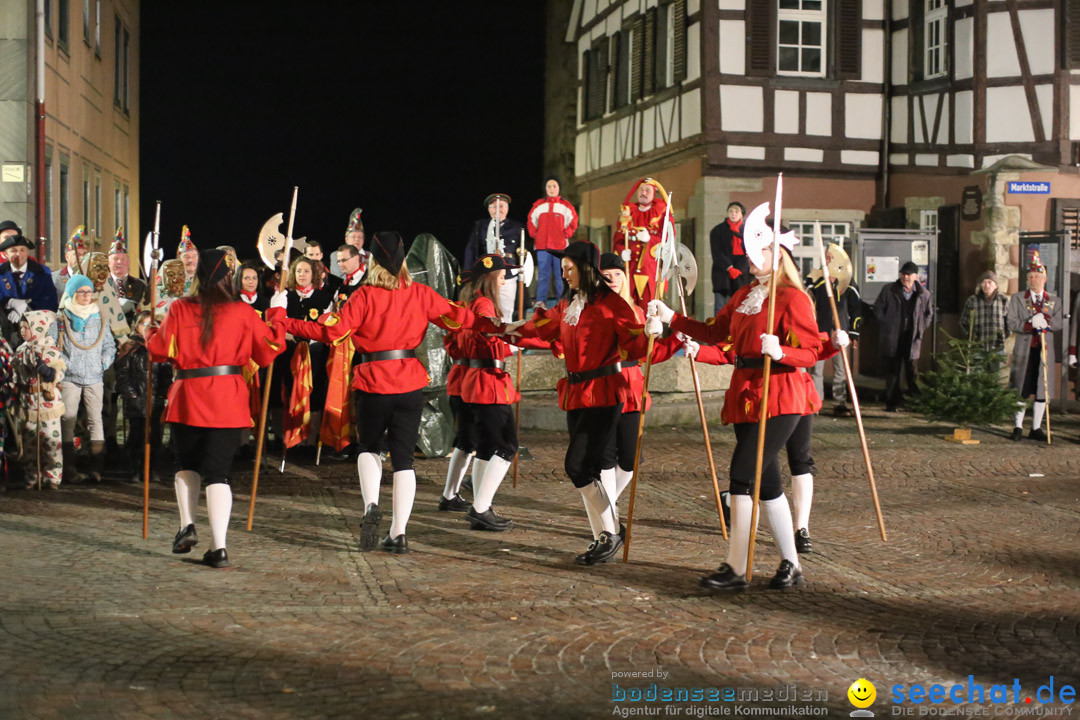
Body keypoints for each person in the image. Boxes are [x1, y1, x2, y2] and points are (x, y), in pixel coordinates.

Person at [267, 231, 505, 554]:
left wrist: (283, 318)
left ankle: (371, 505)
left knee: (369, 448)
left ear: (373, 262)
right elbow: (459, 318)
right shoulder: (420, 293)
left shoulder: (363, 296)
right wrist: (492, 322)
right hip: (409, 384)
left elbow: (330, 332)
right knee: (404, 459)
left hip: (373, 382)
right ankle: (398, 533)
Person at [650, 201, 821, 591]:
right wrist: (671, 318)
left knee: (742, 474)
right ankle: (791, 565)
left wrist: (782, 351)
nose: (746, 257)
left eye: (754, 251)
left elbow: (810, 351)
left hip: (781, 393)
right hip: (746, 391)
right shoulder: (745, 294)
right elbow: (713, 333)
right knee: (767, 483)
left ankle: (736, 567)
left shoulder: (793, 298)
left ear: (775, 254)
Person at [504, 241, 658, 565]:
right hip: (576, 393)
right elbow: (541, 327)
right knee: (587, 467)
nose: (564, 274)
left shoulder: (612, 303)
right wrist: (504, 330)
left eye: (569, 268)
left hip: (604, 392)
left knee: (577, 465)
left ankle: (611, 531)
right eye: (562, 270)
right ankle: (607, 533)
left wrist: (652, 333)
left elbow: (635, 344)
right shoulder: (570, 303)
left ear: (586, 267)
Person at [146, 248, 286, 568]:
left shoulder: (180, 308)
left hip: (188, 396)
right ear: (229, 278)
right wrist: (277, 313)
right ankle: (219, 547)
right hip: (228, 399)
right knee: (218, 473)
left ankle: (186, 525)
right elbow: (269, 350)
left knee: (186, 463)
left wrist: (149, 327)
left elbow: (157, 350)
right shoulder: (242, 312)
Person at [451, 254, 551, 530]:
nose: (506, 279)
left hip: (477, 378)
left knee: (485, 446)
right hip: (487, 382)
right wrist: (513, 331)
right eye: (503, 274)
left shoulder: (472, 302)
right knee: (507, 445)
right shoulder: (483, 304)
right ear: (491, 277)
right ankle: (480, 508)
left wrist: (514, 335)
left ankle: (480, 505)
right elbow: (488, 330)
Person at [597, 252, 686, 531]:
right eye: (605, 276)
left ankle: (608, 502)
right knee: (606, 454)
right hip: (605, 383)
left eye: (617, 274)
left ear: (625, 278)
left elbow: (649, 354)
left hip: (632, 384)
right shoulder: (595, 309)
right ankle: (608, 514)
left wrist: (672, 340)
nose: (612, 280)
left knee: (631, 457)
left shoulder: (636, 310)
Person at [54, 274, 116, 483]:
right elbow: (55, 346)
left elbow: (109, 345)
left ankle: (96, 467)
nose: (85, 295)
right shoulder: (62, 317)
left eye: (88, 291)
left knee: (95, 419)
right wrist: (67, 364)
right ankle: (68, 467)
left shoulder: (99, 317)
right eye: (81, 291)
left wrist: (103, 362)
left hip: (94, 376)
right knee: (68, 418)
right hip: (71, 376)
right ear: (72, 293)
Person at [1006, 252, 1062, 442]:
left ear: (1044, 278)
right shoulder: (1018, 299)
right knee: (1022, 387)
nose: (1033, 279)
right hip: (1025, 350)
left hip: (1044, 350)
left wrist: (1046, 323)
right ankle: (1018, 426)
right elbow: (1011, 322)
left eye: (1037, 276)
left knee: (1042, 388)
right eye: (1030, 276)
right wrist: (1029, 324)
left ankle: (1036, 427)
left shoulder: (1054, 300)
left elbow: (1059, 322)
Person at [114, 310, 172, 483]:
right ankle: (135, 469)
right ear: (136, 326)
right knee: (137, 436)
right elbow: (123, 375)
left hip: (155, 400)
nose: (147, 328)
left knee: (155, 436)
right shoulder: (130, 348)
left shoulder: (160, 347)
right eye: (143, 324)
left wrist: (162, 394)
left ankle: (151, 468)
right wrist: (131, 396)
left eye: (151, 325)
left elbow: (166, 374)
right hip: (136, 400)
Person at [806, 243, 862, 417]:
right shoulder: (814, 281)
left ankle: (840, 403)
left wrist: (853, 332)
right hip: (819, 332)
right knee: (816, 369)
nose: (830, 260)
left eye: (832, 257)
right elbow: (806, 306)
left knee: (841, 369)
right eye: (827, 257)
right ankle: (816, 402)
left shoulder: (848, 283)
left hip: (841, 332)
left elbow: (856, 311)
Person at [14, 311, 66, 489]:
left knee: (50, 441)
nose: (23, 331)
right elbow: (15, 375)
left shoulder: (50, 348)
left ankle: (53, 476)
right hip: (28, 400)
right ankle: (32, 475)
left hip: (47, 401)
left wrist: (49, 372)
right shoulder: (20, 351)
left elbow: (60, 373)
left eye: (27, 327)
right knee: (29, 441)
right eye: (22, 327)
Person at [873, 261, 933, 412]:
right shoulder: (889, 290)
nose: (905, 277)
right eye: (903, 274)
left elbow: (928, 314)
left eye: (908, 274)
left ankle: (915, 404)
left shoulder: (923, 294)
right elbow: (878, 308)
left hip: (912, 338)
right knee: (893, 373)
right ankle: (892, 404)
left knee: (912, 372)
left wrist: (921, 327)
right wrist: (887, 321)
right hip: (893, 337)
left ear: (915, 276)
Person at [464, 193, 526, 322]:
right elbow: (471, 249)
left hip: (508, 274)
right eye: (494, 207)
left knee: (506, 311)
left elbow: (523, 251)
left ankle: (505, 338)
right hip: (487, 274)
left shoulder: (516, 227)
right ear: (489, 210)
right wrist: (468, 273)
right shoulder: (480, 226)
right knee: (485, 308)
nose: (498, 210)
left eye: (502, 206)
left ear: (507, 208)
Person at [612, 178, 668, 310]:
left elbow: (667, 237)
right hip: (629, 269)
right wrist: (621, 252)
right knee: (627, 307)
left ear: (654, 193)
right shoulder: (627, 212)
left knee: (649, 309)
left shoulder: (661, 212)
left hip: (649, 269)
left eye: (647, 190)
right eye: (641, 190)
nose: (644, 193)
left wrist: (650, 239)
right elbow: (618, 239)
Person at [527, 176, 578, 309]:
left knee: (561, 274)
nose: (551, 189)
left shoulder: (566, 206)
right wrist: (534, 234)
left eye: (554, 186)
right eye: (549, 186)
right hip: (542, 246)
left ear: (559, 188)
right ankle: (540, 300)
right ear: (545, 188)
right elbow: (531, 221)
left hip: (560, 247)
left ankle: (562, 300)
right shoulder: (538, 205)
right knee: (543, 274)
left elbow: (573, 222)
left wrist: (566, 234)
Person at [0, 234, 58, 347]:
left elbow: (50, 302)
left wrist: (26, 309)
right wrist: (10, 302)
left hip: (35, 332)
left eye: (22, 250)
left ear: (27, 252)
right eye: (13, 250)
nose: (19, 254)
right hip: (5, 330)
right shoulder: (0, 272)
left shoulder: (42, 272)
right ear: (6, 254)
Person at [710, 202, 749, 311]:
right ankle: (718, 327)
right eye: (731, 211)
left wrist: (739, 269)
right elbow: (717, 253)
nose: (733, 214)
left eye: (737, 211)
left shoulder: (748, 231)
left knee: (741, 306)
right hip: (723, 273)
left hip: (742, 275)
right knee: (720, 306)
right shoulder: (717, 230)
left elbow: (750, 253)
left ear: (742, 214)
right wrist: (729, 268)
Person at [960, 270, 1008, 353]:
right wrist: (972, 337)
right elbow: (963, 322)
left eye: (990, 282)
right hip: (978, 348)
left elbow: (1009, 322)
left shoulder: (1003, 300)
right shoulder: (972, 300)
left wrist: (1003, 336)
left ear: (995, 285)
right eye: (984, 282)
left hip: (997, 348)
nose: (987, 285)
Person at [107, 228, 148, 325]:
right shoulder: (102, 284)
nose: (120, 262)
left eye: (123, 259)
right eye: (116, 259)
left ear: (129, 262)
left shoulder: (141, 285)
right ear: (108, 262)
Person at [329, 208, 370, 280]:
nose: (357, 239)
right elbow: (337, 278)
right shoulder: (336, 255)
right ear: (346, 239)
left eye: (360, 237)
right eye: (353, 237)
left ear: (363, 240)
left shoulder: (370, 256)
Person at [53, 226, 90, 296]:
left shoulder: (92, 277)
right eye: (77, 254)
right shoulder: (54, 279)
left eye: (84, 254)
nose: (81, 258)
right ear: (67, 257)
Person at [178, 226, 198, 295]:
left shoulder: (205, 279)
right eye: (186, 256)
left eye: (194, 256)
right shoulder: (172, 280)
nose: (190, 260)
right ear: (179, 259)